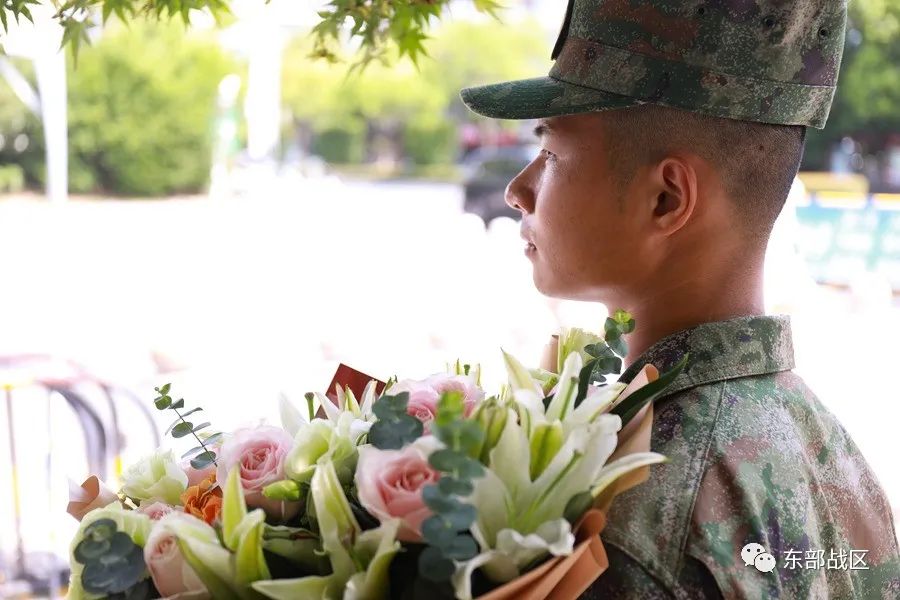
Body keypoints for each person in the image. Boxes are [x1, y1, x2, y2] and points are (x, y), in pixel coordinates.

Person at [459, 0, 900, 598]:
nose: (518, 190)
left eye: (554, 153)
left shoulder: (627, 511)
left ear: (666, 199)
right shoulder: (832, 453)